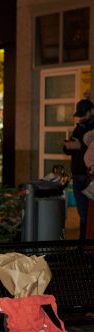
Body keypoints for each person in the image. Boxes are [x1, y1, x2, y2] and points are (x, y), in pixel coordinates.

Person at [63, 98, 94, 239]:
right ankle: (82, 246)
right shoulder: (79, 127)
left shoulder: (92, 128)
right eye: (79, 115)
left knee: (88, 214)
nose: (81, 117)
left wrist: (80, 147)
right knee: (82, 213)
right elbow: (71, 148)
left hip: (88, 176)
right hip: (77, 175)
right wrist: (68, 147)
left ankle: (86, 247)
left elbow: (89, 151)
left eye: (83, 114)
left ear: (91, 111)